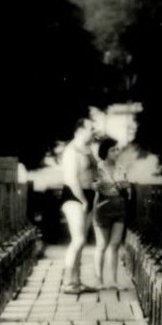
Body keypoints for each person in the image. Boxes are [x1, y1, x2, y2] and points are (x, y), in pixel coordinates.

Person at [58, 119, 98, 294]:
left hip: (88, 195)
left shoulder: (88, 150)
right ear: (80, 130)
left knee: (82, 241)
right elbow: (72, 179)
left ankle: (77, 282)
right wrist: (83, 200)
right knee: (78, 239)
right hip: (74, 196)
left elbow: (93, 173)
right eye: (91, 129)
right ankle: (68, 282)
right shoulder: (71, 151)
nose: (93, 132)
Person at [90, 136, 128, 290]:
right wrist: (98, 184)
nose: (116, 152)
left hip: (119, 207)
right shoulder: (98, 167)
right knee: (101, 245)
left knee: (115, 244)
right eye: (113, 149)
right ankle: (99, 281)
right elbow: (92, 185)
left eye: (117, 149)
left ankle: (113, 280)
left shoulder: (121, 167)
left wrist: (123, 185)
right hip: (102, 207)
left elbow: (126, 184)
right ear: (105, 151)